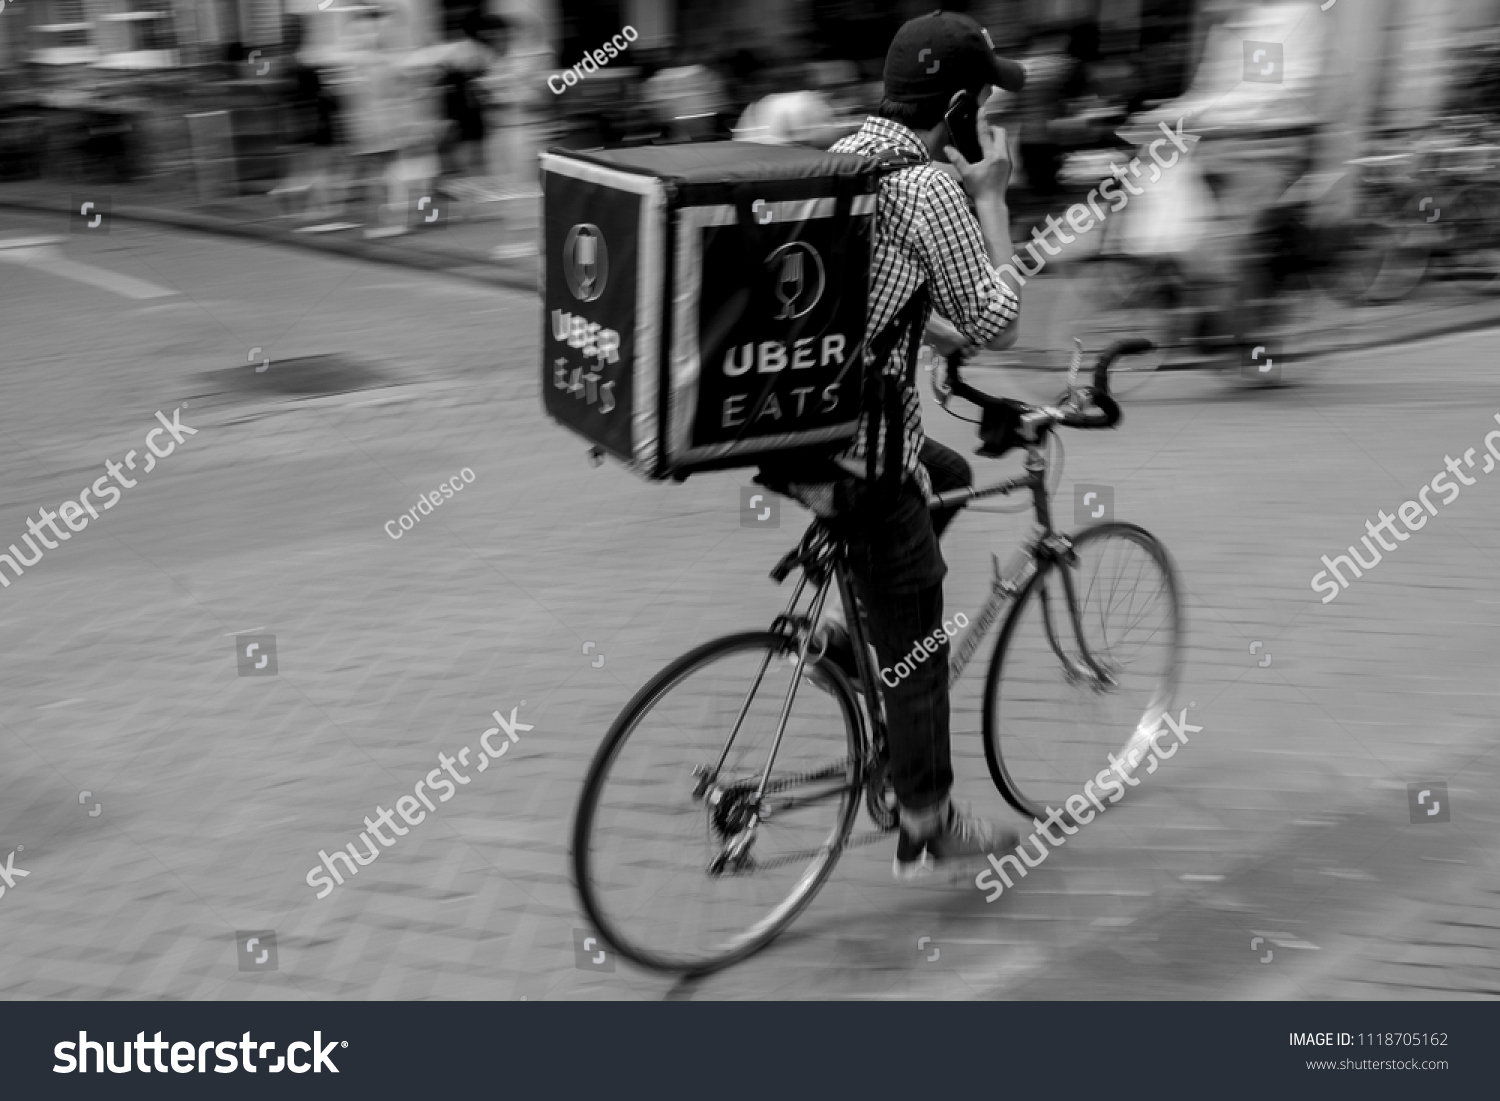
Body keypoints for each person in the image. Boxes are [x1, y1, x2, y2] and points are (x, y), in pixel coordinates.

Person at [758, 10, 1028, 879]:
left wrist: (929, 338)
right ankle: (926, 813)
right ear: (953, 104)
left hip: (799, 436)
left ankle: (847, 635)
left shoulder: (844, 158)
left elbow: (869, 288)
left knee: (943, 469)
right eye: (981, 100)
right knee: (921, 644)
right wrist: (993, 199)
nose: (982, 114)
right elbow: (1000, 319)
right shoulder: (931, 188)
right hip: (864, 461)